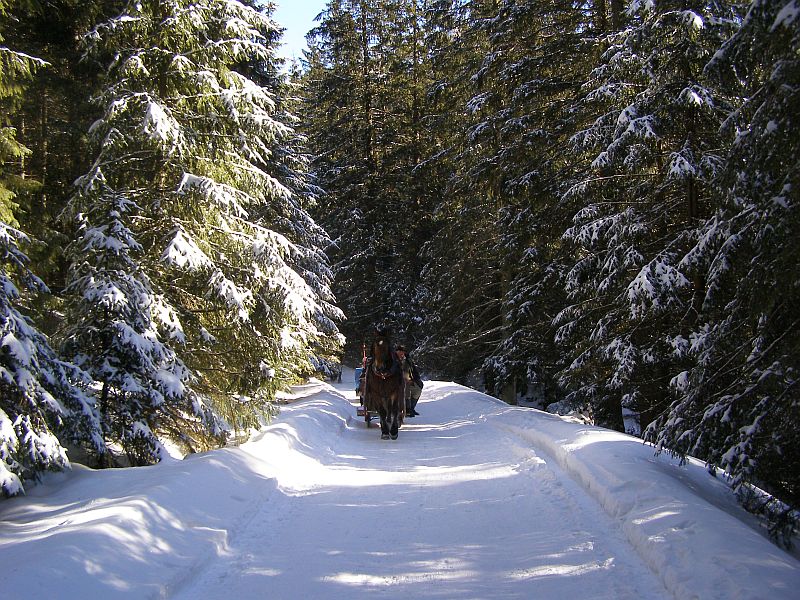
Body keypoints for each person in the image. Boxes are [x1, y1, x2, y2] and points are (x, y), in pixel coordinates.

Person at [395, 344, 423, 417]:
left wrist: (415, 380)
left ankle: (411, 408)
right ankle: (407, 409)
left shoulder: (408, 361)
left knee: (417, 390)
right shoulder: (392, 360)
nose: (400, 353)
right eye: (399, 351)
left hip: (409, 381)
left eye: (402, 352)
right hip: (396, 383)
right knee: (406, 389)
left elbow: (414, 372)